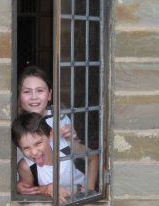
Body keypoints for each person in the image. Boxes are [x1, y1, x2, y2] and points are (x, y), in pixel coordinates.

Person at [15, 65, 98, 195]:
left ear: (49, 95)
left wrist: (73, 138)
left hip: (68, 181)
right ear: (18, 96)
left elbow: (78, 153)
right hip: (42, 184)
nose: (34, 97)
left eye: (40, 91)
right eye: (27, 92)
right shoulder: (16, 126)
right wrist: (19, 187)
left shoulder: (59, 119)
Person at [12, 112, 86, 203]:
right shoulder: (26, 166)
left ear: (50, 135)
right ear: (19, 148)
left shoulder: (65, 145)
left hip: (84, 195)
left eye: (38, 143)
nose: (34, 152)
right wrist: (46, 189)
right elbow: (27, 192)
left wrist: (90, 189)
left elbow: (93, 158)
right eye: (26, 148)